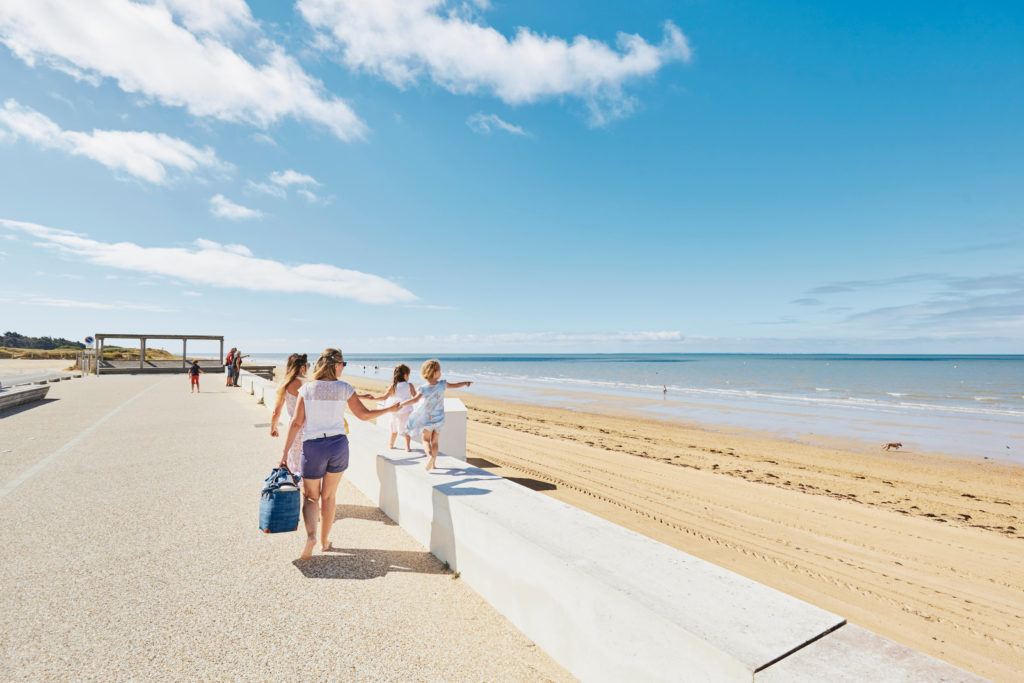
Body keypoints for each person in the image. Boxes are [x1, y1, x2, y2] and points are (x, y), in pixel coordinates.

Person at [280, 348, 402, 560]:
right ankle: (325, 542)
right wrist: (388, 410)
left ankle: (311, 536)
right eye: (343, 364)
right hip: (338, 445)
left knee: (310, 497)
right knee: (329, 496)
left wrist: (284, 453)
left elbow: (296, 423)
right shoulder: (344, 388)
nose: (343, 368)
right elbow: (363, 415)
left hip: (313, 447)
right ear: (335, 365)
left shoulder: (307, 389)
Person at [400, 359, 472, 472]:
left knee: (425, 440)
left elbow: (414, 400)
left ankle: (430, 457)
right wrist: (465, 383)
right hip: (440, 420)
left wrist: (402, 403)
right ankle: (433, 464)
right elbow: (455, 385)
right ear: (436, 372)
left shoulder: (423, 388)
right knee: (435, 441)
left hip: (428, 420)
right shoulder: (442, 384)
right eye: (439, 370)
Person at [360, 364, 418, 451]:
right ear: (405, 375)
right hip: (405, 410)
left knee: (394, 429)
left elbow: (384, 397)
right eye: (408, 375)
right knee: (407, 429)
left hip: (395, 410)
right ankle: (407, 448)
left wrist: (374, 398)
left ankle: (391, 445)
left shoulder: (393, 386)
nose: (409, 377)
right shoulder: (410, 385)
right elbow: (415, 397)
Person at [270, 353, 308, 474]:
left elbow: (276, 411)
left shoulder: (285, 385)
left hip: (295, 431)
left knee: (295, 467)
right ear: (302, 368)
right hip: (310, 429)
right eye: (307, 365)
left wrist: (273, 427)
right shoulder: (307, 385)